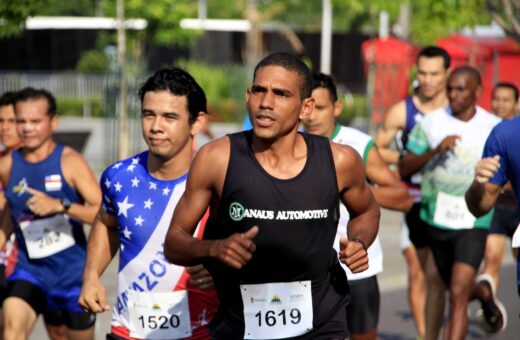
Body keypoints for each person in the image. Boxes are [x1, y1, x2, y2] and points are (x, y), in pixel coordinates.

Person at [164, 52, 380, 339]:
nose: (266, 103)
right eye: (259, 90)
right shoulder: (217, 158)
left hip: (322, 322)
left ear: (306, 108)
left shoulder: (340, 161)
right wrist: (213, 249)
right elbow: (174, 241)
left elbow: (367, 211)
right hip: (239, 322)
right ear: (247, 96)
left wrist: (358, 243)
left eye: (281, 94)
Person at [78, 67, 220, 339]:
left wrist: (223, 271)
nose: (156, 127)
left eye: (170, 117)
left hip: (202, 331)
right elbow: (105, 223)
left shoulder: (221, 180)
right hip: (128, 330)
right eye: (148, 114)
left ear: (197, 122)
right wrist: (92, 276)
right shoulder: (119, 176)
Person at [302, 72, 411, 340]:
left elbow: (402, 197)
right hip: (308, 273)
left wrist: (354, 190)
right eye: (309, 108)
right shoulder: (289, 144)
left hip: (357, 267)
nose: (313, 116)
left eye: (322, 107)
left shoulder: (358, 145)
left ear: (336, 108)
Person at [399, 66, 502, 339]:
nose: (454, 95)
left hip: (474, 219)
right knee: (444, 285)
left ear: (477, 91)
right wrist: (436, 149)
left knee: (457, 293)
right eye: (451, 89)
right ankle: (482, 291)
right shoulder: (431, 123)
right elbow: (404, 168)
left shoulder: (493, 127)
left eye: (461, 89)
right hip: (435, 218)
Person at [0, 87, 101, 340]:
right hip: (30, 272)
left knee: (64, 336)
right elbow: (8, 215)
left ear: (53, 122)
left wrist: (61, 206)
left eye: (35, 121)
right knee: (11, 331)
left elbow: (103, 215)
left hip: (72, 277)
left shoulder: (70, 161)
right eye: (21, 121)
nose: (27, 128)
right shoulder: (7, 165)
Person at [375, 46, 450, 339]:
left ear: (447, 74)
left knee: (442, 275)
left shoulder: (455, 109)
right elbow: (378, 149)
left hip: (447, 200)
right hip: (412, 199)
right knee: (418, 271)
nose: (428, 80)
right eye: (423, 73)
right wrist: (407, 157)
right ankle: (425, 334)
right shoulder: (402, 110)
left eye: (434, 74)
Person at [471, 82, 518, 334]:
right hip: (496, 209)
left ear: (516, 104)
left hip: (517, 211)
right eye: (496, 99)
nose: (500, 104)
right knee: (491, 259)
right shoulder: (490, 132)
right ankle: (490, 306)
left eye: (506, 100)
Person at [465, 115, 520, 312]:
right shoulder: (506, 134)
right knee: (491, 260)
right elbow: (480, 207)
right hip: (501, 213)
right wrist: (478, 183)